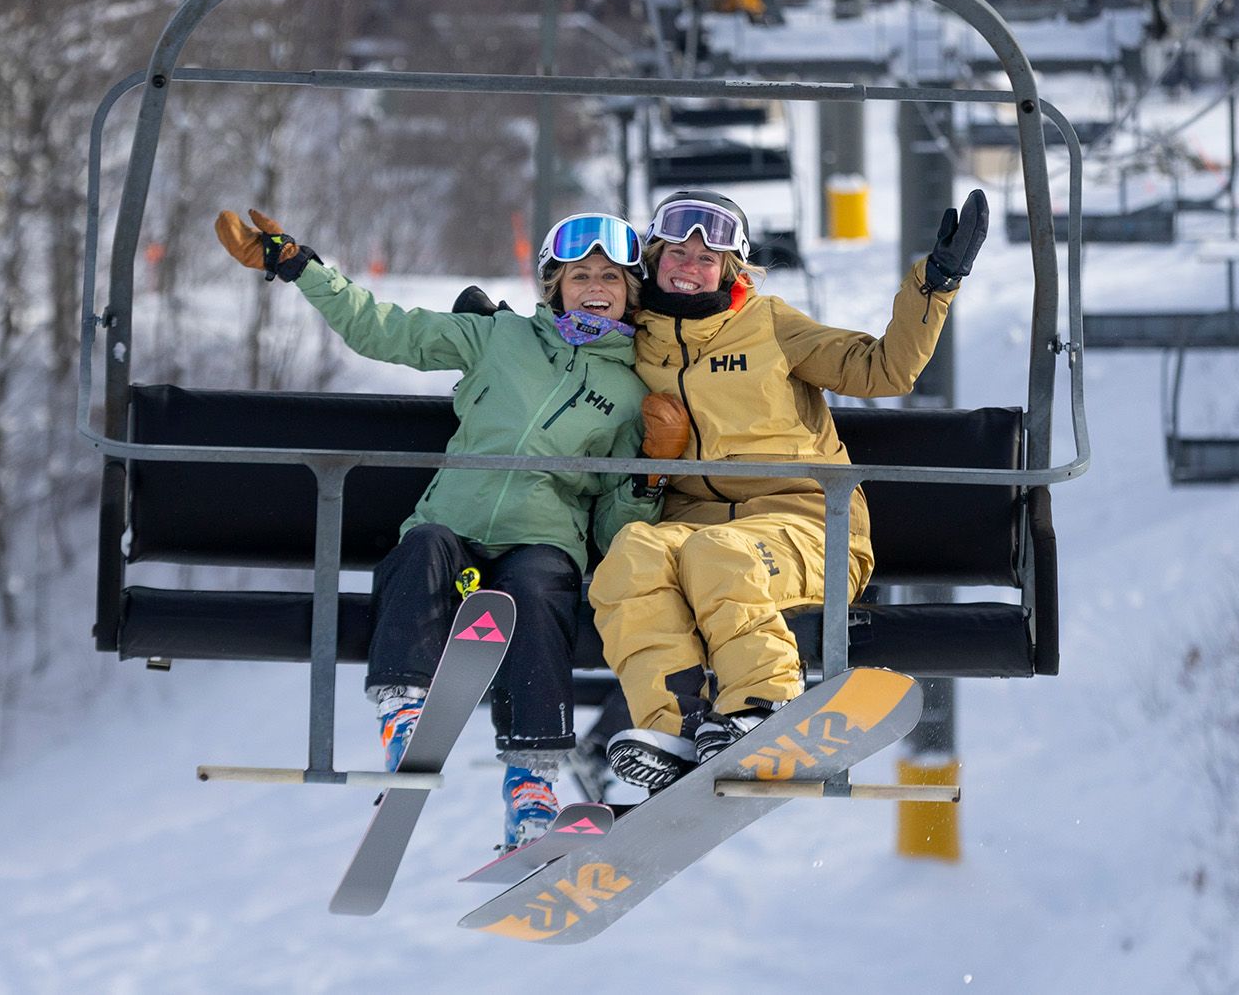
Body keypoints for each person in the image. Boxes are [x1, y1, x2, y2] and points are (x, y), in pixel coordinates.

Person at [213, 207, 657, 849]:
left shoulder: (632, 391)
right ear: (553, 285)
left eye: (611, 278)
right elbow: (381, 330)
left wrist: (647, 480)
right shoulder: (498, 337)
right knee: (420, 548)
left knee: (539, 592)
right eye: (579, 274)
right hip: (454, 526)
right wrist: (298, 266)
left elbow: (618, 514)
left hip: (542, 541)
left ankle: (531, 788)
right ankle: (405, 722)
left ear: (629, 293)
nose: (595, 287)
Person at [590, 186, 989, 792]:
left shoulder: (768, 325)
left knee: (717, 555)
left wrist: (934, 283)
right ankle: (676, 726)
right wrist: (494, 335)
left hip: (806, 524)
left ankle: (765, 707)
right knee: (633, 555)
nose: (689, 269)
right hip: (696, 521)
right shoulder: (633, 337)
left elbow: (884, 369)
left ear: (730, 268)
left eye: (706, 259)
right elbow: (564, 334)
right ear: (653, 259)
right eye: (676, 254)